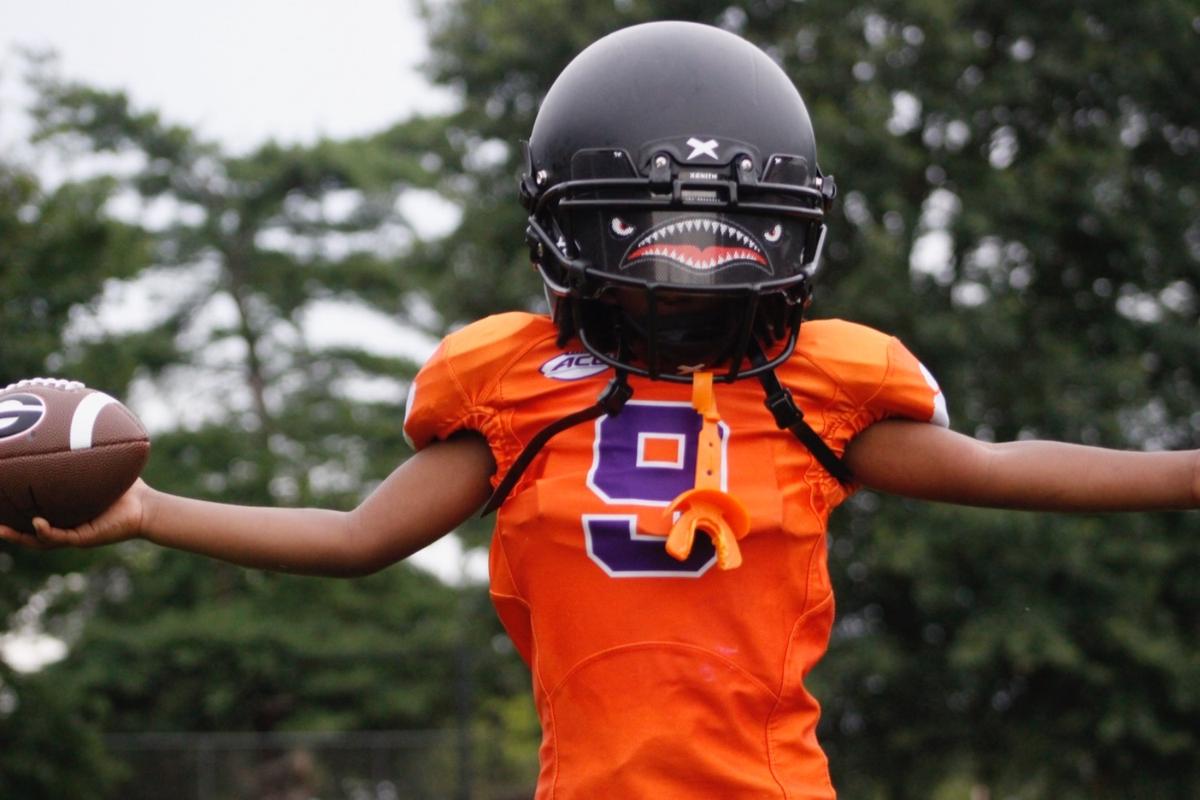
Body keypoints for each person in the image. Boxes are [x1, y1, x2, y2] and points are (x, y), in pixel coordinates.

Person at [2, 20, 1196, 800]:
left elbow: (1005, 466)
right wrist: (148, 510)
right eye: (653, 238)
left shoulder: (811, 387)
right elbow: (360, 537)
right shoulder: (522, 386)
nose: (685, 275)